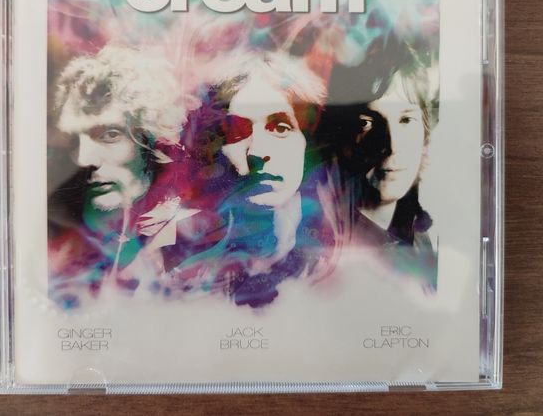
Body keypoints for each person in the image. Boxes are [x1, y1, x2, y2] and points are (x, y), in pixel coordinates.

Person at [170, 50, 338, 307]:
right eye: (237, 132)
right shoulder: (183, 273)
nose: (257, 151)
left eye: (280, 127)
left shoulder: (342, 263)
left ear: (307, 143)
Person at [47, 44, 188, 307]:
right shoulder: (65, 243)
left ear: (154, 141)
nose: (83, 159)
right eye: (74, 140)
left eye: (109, 135)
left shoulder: (195, 241)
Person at [325, 40, 439, 289]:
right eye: (367, 123)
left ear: (425, 132)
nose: (392, 145)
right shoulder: (324, 249)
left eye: (406, 120)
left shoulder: (419, 235)